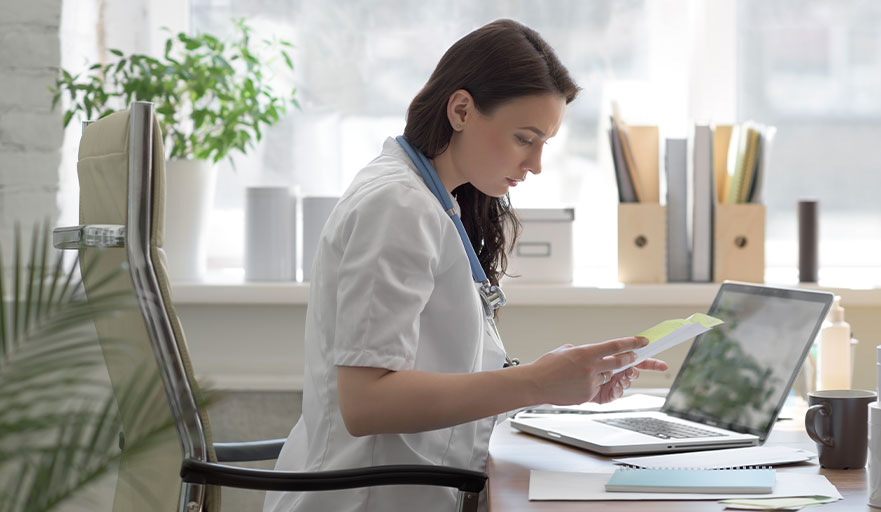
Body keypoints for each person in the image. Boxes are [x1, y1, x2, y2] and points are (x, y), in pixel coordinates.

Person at [264, 19, 668, 512]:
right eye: (524, 138)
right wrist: (536, 381)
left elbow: (432, 371)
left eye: (545, 143)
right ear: (461, 110)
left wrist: (556, 381)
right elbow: (366, 402)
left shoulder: (433, 201)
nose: (536, 164)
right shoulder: (398, 205)